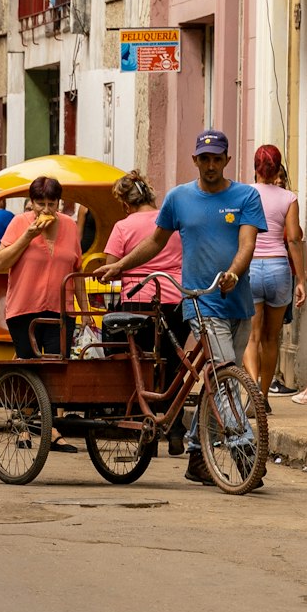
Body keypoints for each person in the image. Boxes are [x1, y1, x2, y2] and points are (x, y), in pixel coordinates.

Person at [96, 129, 267, 486]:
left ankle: (195, 454)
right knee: (225, 381)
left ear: (226, 161)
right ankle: (245, 451)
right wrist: (120, 266)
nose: (210, 165)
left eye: (216, 159)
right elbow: (155, 242)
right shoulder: (178, 199)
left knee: (219, 380)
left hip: (238, 302)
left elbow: (247, 244)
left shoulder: (246, 196)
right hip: (200, 303)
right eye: (204, 159)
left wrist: (235, 273)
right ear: (195, 160)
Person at [0, 175, 91, 452]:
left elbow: (77, 269)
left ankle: (52, 430)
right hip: (24, 308)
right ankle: (25, 427)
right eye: (40, 203)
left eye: (52, 203)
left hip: (62, 309)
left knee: (55, 368)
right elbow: (1, 261)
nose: (46, 210)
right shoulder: (19, 224)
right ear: (32, 202)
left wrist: (83, 310)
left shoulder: (70, 226)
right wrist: (28, 236)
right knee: (28, 365)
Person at [104, 170, 187, 455]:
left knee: (139, 366)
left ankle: (146, 430)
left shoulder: (123, 226)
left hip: (138, 302)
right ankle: (175, 428)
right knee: (171, 366)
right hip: (175, 299)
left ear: (125, 203)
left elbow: (111, 265)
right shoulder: (170, 222)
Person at [243, 145, 305, 409]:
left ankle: (253, 395)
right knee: (271, 338)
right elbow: (293, 239)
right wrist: (301, 279)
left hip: (252, 267)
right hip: (279, 269)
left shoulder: (244, 194)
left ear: (255, 167)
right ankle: (265, 396)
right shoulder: (288, 198)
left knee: (252, 337)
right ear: (278, 167)